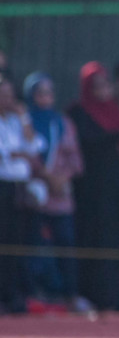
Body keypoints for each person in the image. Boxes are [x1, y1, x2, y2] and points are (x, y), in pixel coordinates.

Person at [68, 62, 119, 311]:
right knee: (97, 239)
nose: (103, 90)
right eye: (97, 85)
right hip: (92, 190)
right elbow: (89, 142)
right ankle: (95, 296)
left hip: (118, 188)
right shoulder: (78, 111)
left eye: (106, 84)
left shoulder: (115, 111)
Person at [22, 74, 86, 311]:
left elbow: (76, 160)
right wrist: (46, 177)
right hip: (36, 195)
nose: (46, 98)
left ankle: (69, 295)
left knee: (65, 244)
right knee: (34, 245)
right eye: (41, 93)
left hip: (60, 196)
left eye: (49, 93)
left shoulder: (62, 123)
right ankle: (33, 294)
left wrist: (62, 178)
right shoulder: (25, 121)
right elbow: (25, 153)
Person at [0, 76, 44, 313]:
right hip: (2, 186)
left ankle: (13, 294)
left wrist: (24, 116)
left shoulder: (16, 121)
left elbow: (34, 147)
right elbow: (5, 154)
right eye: (3, 95)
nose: (7, 100)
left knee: (17, 242)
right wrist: (18, 154)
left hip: (18, 187)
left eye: (10, 95)